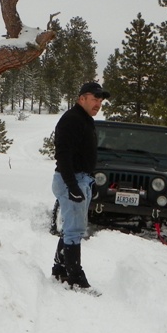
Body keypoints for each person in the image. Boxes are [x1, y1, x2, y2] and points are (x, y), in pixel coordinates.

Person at [50, 81, 110, 290]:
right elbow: (63, 155)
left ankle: (60, 269)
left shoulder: (84, 119)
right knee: (75, 230)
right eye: (94, 99)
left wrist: (87, 181)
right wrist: (72, 185)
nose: (98, 104)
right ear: (81, 98)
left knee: (71, 229)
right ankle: (76, 279)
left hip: (80, 178)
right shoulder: (72, 120)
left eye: (100, 101)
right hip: (71, 179)